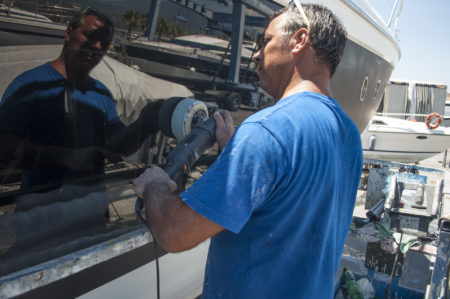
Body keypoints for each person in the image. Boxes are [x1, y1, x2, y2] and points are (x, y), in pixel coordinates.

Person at [134, 3, 362, 298]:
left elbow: (175, 233)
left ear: (300, 40)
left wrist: (154, 187)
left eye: (266, 40)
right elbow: (288, 200)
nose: (256, 53)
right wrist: (232, 148)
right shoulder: (348, 133)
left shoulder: (267, 129)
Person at [0, 9, 161, 190]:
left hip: (92, 211)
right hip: (42, 212)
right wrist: (67, 157)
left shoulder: (101, 93)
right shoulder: (28, 85)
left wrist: (149, 121)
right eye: (90, 36)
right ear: (68, 34)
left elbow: (119, 147)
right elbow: (4, 149)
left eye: (105, 42)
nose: (98, 46)